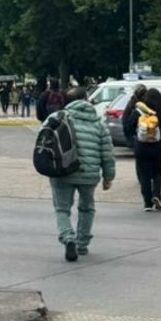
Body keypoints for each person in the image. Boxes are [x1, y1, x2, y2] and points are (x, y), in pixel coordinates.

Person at [47, 86, 115, 261]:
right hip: (89, 173)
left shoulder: (57, 118)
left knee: (62, 208)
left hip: (62, 171)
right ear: (86, 99)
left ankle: (67, 237)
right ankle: (82, 243)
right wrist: (109, 176)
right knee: (87, 207)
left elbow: (44, 141)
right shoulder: (97, 122)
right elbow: (107, 152)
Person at [125, 87, 161, 212]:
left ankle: (147, 202)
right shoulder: (160, 112)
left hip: (141, 146)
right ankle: (157, 195)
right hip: (156, 146)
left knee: (144, 174)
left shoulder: (138, 112)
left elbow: (129, 127)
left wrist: (134, 136)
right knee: (157, 172)